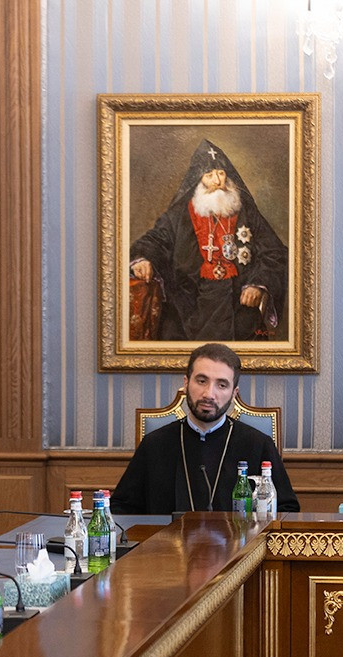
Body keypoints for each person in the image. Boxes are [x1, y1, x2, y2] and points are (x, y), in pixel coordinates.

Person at [111, 343, 299, 514]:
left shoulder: (257, 444)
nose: (209, 394)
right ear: (186, 383)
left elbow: (287, 510)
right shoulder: (155, 444)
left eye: (222, 385)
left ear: (234, 393)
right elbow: (122, 508)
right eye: (201, 381)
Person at [129, 139, 288, 342]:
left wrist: (258, 284)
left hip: (238, 308)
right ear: (198, 179)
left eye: (221, 173)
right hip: (190, 308)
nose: (217, 181)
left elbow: (274, 251)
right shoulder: (181, 212)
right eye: (209, 175)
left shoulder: (245, 210)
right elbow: (156, 239)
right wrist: (143, 258)